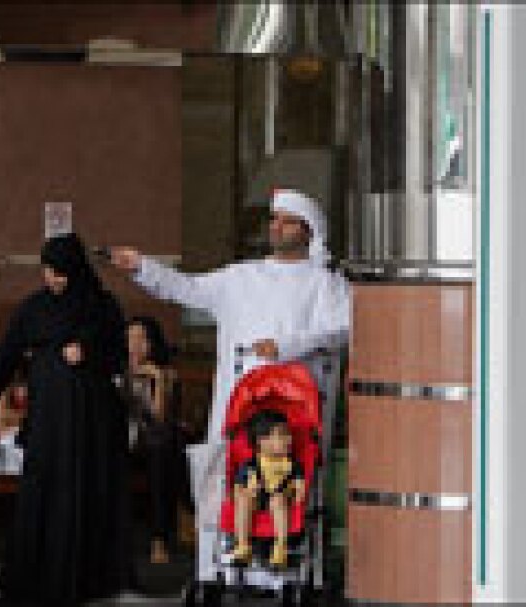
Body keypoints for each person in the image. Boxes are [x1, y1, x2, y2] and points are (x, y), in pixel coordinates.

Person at [110, 188, 350, 591]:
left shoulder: (325, 284)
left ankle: (286, 577)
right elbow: (185, 289)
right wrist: (141, 267)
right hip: (237, 404)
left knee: (286, 489)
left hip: (293, 413)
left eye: (286, 220)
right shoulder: (241, 276)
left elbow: (341, 330)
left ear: (308, 231)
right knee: (227, 483)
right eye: (273, 219)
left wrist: (287, 345)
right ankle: (216, 574)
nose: (276, 226)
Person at [0, 232, 134, 605]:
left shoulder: (103, 306)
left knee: (86, 490)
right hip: (49, 418)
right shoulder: (32, 308)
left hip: (92, 419)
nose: (51, 279)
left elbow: (120, 357)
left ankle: (92, 580)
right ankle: (35, 576)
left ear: (75, 270)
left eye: (59, 272)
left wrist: (88, 350)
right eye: (46, 270)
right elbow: (6, 359)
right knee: (45, 489)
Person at [126, 315, 182, 565]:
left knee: (160, 453)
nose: (135, 345)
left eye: (142, 339)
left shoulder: (167, 373)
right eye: (130, 339)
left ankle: (159, 540)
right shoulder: (116, 369)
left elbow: (160, 418)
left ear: (153, 343)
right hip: (122, 442)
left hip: (151, 444)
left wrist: (157, 379)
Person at [230, 410, 305, 569]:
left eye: (288, 434)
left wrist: (298, 494)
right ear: (262, 441)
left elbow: (299, 485)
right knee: (243, 500)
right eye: (283, 435)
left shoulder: (292, 465)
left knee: (277, 500)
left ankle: (280, 547)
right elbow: (237, 488)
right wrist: (246, 493)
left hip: (282, 501)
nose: (289, 440)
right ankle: (243, 545)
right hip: (257, 500)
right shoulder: (251, 465)